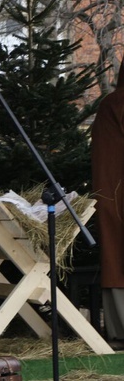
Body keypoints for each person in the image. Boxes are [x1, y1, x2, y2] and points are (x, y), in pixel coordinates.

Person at [91, 65, 124, 346]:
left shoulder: (110, 104)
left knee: (116, 254)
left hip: (111, 195)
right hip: (117, 192)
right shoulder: (118, 103)